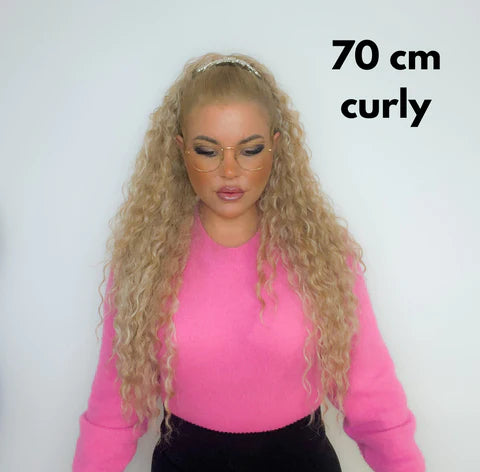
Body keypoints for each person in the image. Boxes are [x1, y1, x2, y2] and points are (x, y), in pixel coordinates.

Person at [72, 52, 425, 472]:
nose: (229, 170)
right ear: (180, 150)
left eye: (250, 149)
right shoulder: (145, 264)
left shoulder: (323, 257)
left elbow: (374, 401)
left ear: (275, 147)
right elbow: (114, 414)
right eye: (208, 151)